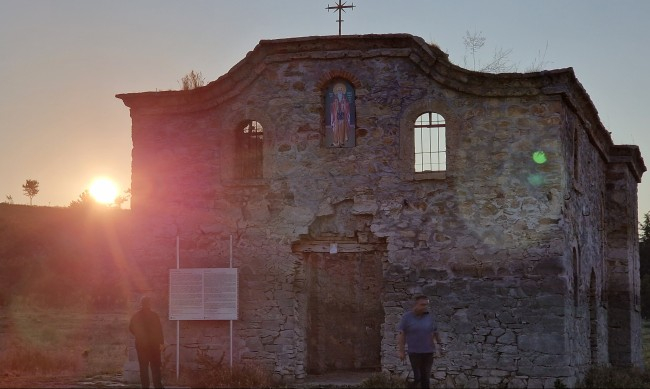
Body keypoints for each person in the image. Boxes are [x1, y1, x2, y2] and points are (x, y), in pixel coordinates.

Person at [398, 295, 444, 389]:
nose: (425, 307)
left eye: (426, 305)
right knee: (418, 377)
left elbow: (436, 332)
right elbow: (402, 334)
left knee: (426, 378)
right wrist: (401, 351)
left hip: (428, 352)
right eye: (422, 304)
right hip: (414, 353)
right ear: (416, 305)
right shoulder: (407, 317)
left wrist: (441, 345)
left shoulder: (430, 317)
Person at [129, 296, 164, 389]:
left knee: (143, 367)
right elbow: (159, 330)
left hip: (141, 345)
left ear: (141, 304)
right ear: (149, 304)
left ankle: (145, 386)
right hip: (154, 345)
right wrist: (161, 343)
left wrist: (139, 336)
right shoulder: (154, 315)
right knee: (155, 366)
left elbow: (131, 328)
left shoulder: (136, 316)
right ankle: (158, 386)